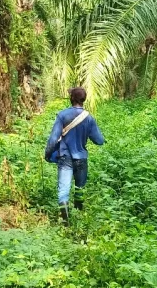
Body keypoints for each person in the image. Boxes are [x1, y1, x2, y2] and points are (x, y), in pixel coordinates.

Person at [45, 87, 105, 224]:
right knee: (79, 189)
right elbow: (99, 141)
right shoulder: (89, 118)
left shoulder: (62, 115)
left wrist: (48, 153)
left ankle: (65, 223)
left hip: (65, 157)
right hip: (81, 158)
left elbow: (53, 139)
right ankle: (78, 217)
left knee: (63, 191)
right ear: (83, 100)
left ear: (72, 98)